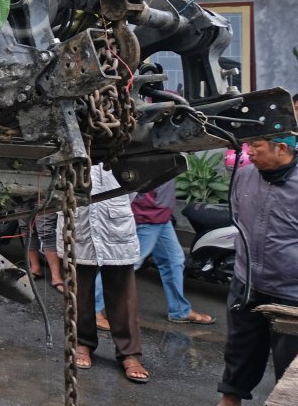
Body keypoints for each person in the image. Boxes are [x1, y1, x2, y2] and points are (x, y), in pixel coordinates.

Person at [216, 135, 298, 406]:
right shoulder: (245, 175)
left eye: (256, 147)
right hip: (247, 283)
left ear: (282, 149)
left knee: (290, 369)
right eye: (248, 145)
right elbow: (239, 217)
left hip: (291, 294)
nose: (248, 152)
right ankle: (229, 401)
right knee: (239, 354)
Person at [60, 163, 150, 383]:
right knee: (79, 293)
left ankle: (129, 353)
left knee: (123, 297)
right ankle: (82, 343)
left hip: (116, 225)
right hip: (79, 224)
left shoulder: (121, 141)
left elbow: (132, 186)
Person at [94, 178, 214, 328]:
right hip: (147, 215)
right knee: (126, 263)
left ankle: (179, 310)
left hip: (160, 215)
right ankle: (92, 309)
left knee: (173, 261)